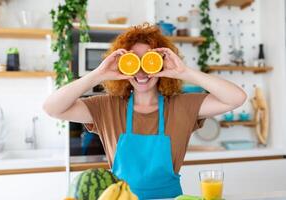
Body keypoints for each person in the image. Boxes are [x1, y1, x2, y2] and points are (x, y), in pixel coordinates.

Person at [43, 24, 246, 199]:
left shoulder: (182, 105)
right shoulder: (106, 107)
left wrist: (185, 72)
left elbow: (236, 98)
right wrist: (98, 74)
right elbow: (51, 108)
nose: (141, 71)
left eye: (148, 61)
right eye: (134, 62)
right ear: (124, 67)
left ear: (161, 64)